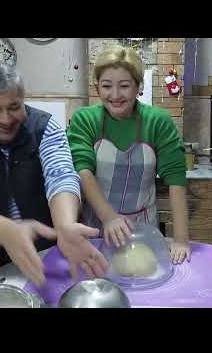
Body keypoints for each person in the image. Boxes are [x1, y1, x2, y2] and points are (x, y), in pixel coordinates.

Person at [0, 62, 108, 286]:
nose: (6, 119)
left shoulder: (44, 126)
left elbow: (61, 175)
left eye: (14, 107)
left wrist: (64, 227)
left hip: (51, 258)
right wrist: (7, 231)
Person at [67, 45, 191, 264]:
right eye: (106, 86)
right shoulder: (85, 120)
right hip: (95, 227)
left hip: (143, 229)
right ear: (97, 87)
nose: (115, 95)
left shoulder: (158, 122)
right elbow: (82, 170)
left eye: (124, 86)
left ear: (138, 87)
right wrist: (109, 217)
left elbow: (176, 179)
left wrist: (181, 239)